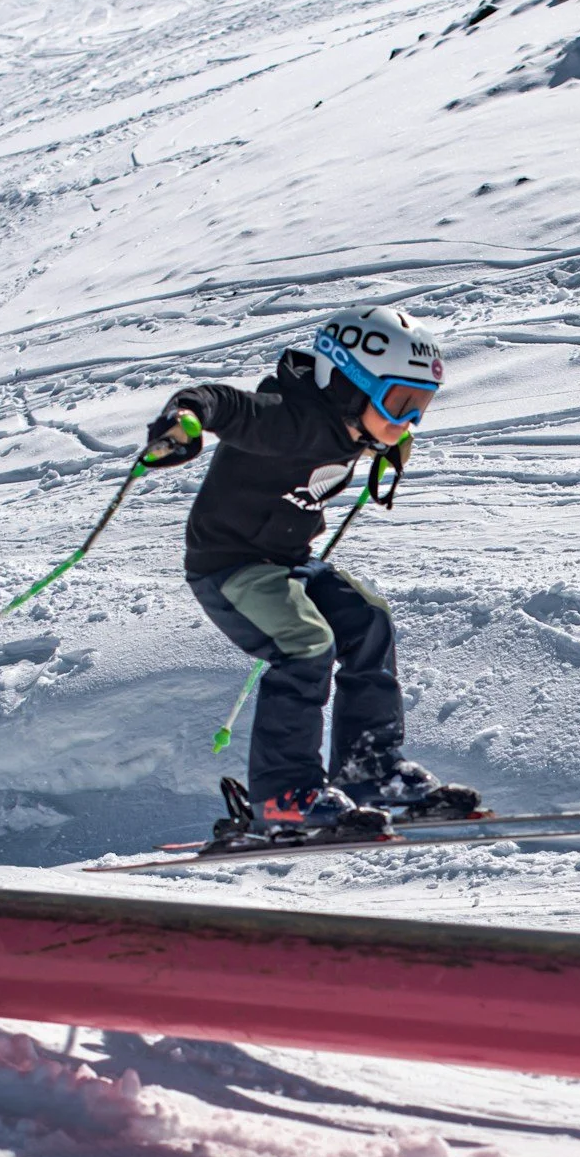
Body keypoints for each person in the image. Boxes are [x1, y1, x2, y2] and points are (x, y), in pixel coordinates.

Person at [142, 305, 480, 839]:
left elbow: (373, 434)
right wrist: (185, 417)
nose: (407, 422)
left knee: (369, 621)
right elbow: (223, 403)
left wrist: (387, 443)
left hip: (288, 563)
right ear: (349, 383)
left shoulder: (353, 427)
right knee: (306, 642)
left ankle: (370, 770)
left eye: (420, 407)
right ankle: (285, 795)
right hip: (229, 566)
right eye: (399, 402)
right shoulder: (288, 419)